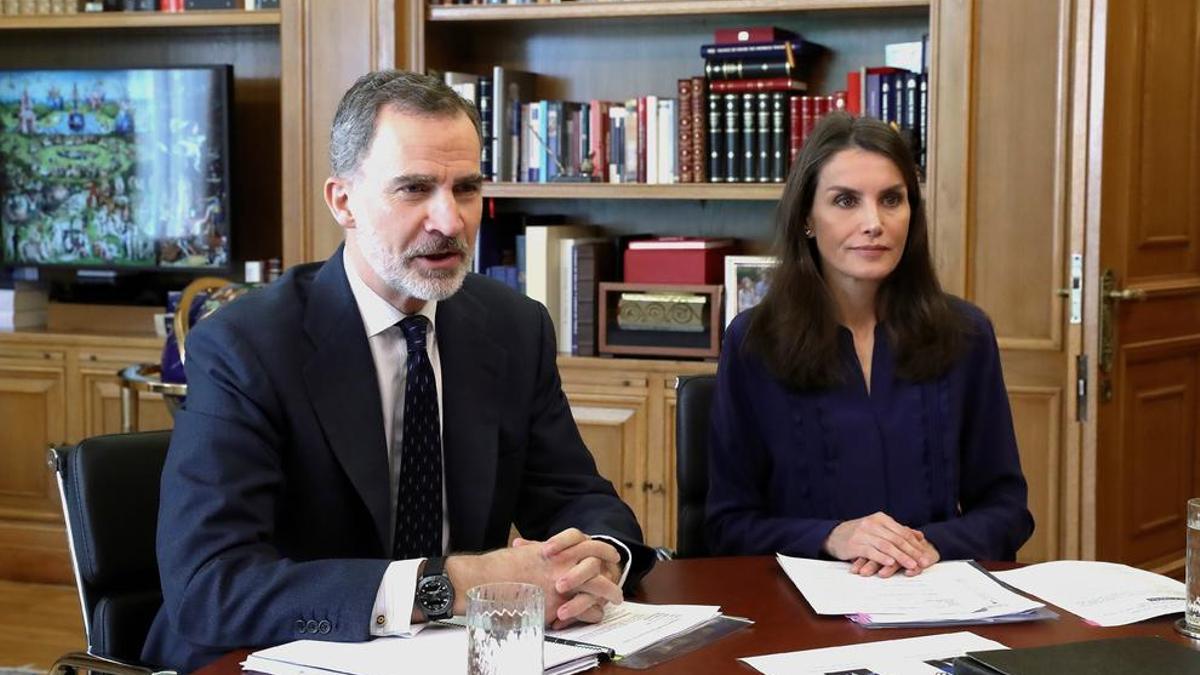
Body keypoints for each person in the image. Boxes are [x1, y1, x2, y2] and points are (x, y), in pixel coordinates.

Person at [142, 70, 654, 672]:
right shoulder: (245, 345)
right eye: (414, 190)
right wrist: (449, 584)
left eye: (466, 189)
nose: (450, 221)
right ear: (344, 201)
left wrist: (596, 557)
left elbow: (577, 497)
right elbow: (210, 586)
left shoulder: (512, 326)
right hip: (273, 657)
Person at [706, 112, 1033, 577]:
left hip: (933, 593)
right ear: (807, 219)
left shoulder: (966, 333)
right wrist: (832, 536)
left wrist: (919, 546)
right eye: (845, 201)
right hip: (800, 610)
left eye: (891, 200)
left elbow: (1007, 512)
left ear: (911, 214)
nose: (873, 222)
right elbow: (726, 526)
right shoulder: (753, 341)